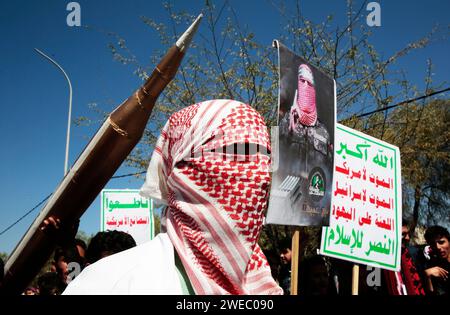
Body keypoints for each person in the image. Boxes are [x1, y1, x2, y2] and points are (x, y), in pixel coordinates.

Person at [63, 100, 282, 295]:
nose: (260, 174)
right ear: (183, 168)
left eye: (265, 157)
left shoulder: (262, 280)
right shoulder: (110, 283)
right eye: (238, 152)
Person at [383, 220, 426, 295]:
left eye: (408, 234)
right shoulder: (378, 261)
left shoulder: (411, 254)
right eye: (403, 234)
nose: (407, 238)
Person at [423, 225, 450, 295]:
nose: (438, 247)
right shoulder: (431, 265)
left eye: (441, 242)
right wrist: (427, 276)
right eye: (433, 244)